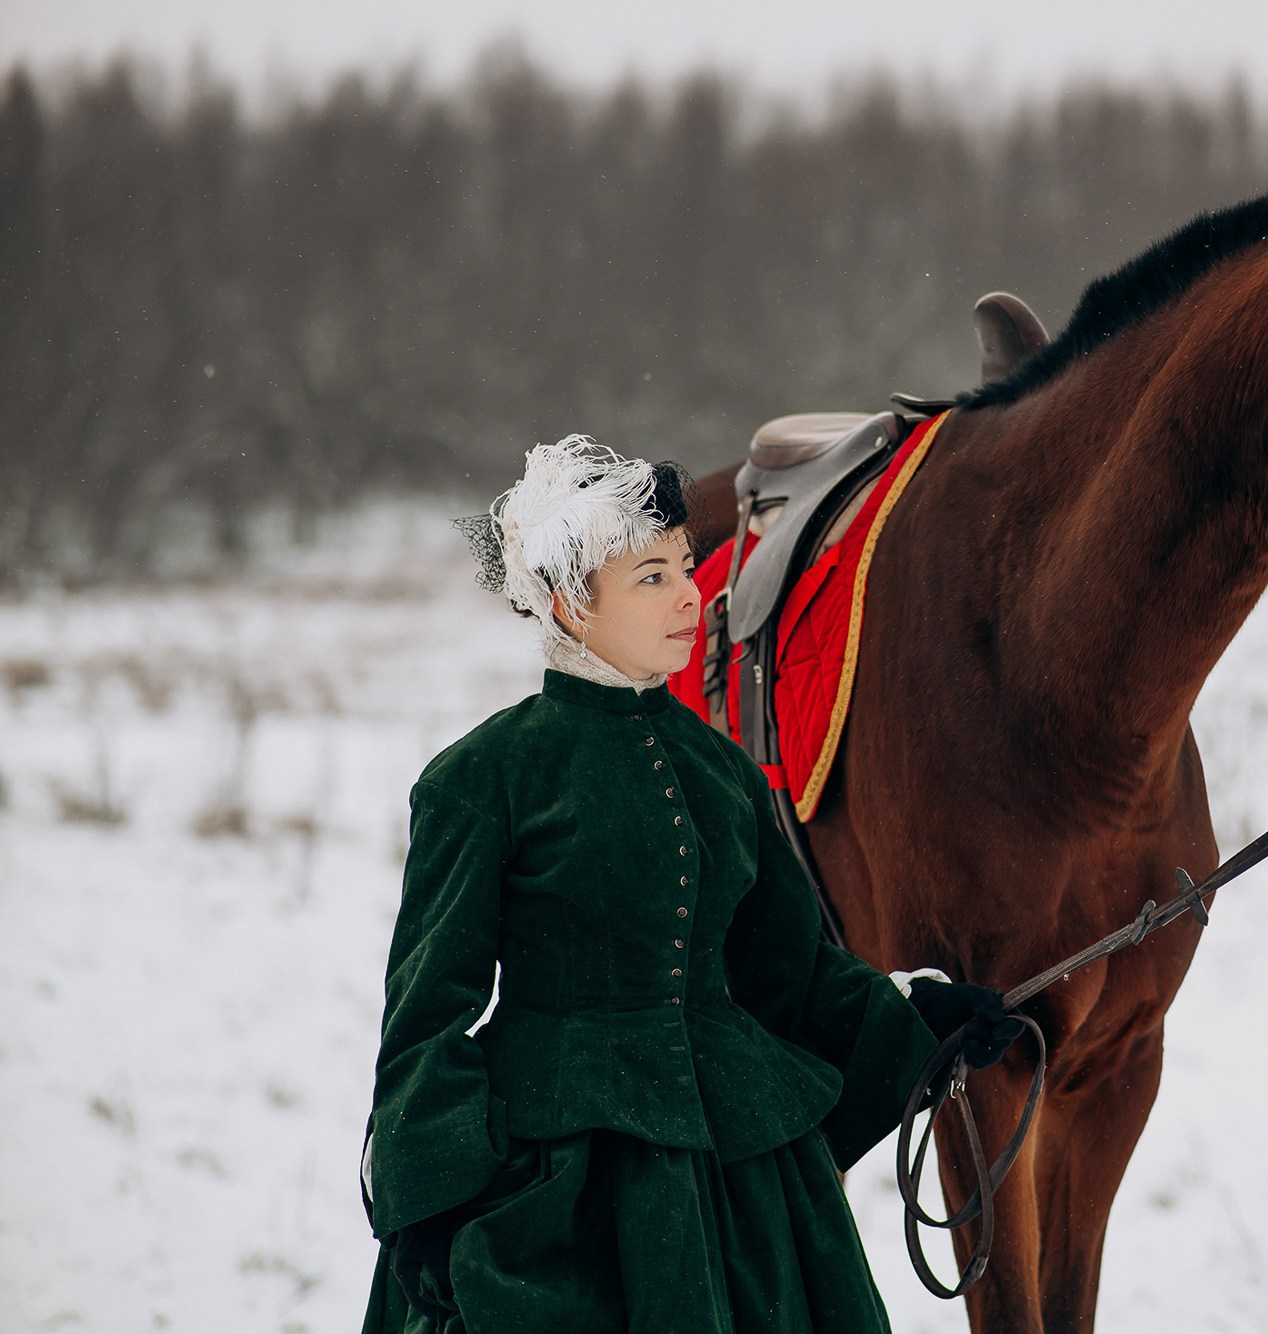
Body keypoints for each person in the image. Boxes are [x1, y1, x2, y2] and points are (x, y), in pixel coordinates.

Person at [358, 435, 1023, 1333]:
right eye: (652, 579)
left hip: (734, 1181)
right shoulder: (486, 778)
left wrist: (916, 1018)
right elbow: (426, 1016)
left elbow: (793, 975)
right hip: (556, 1194)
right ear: (568, 603)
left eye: (684, 566)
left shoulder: (722, 772)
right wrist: (430, 1204)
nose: (691, 594)